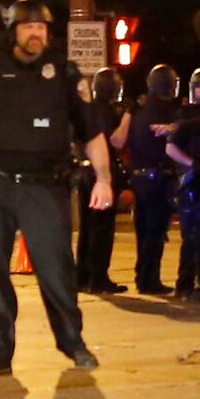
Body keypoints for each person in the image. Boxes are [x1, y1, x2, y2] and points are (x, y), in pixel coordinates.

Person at [0, 0, 116, 378]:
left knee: (56, 271)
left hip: (46, 188)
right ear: (13, 33)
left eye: (42, 28)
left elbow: (92, 133)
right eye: (29, 27)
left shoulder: (66, 76)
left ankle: (73, 342)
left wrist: (103, 179)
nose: (37, 34)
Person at [123, 63, 186, 294]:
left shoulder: (139, 110)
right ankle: (150, 280)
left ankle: (142, 277)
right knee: (155, 231)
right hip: (159, 177)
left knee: (143, 230)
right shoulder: (167, 111)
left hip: (139, 177)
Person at [74, 67, 128, 292]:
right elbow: (112, 142)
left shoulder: (85, 109)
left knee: (87, 225)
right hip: (101, 172)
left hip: (82, 170)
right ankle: (98, 277)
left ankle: (82, 275)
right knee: (102, 227)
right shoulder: (106, 112)